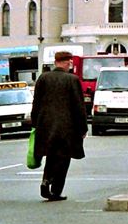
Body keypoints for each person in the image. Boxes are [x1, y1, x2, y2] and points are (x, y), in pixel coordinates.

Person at [30, 51, 87, 201]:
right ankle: (55, 190)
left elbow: (36, 102)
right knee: (63, 159)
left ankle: (46, 180)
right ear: (68, 63)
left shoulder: (43, 78)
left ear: (55, 62)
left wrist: (35, 123)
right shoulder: (72, 79)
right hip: (66, 127)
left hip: (45, 126)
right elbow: (78, 106)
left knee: (51, 155)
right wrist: (83, 128)